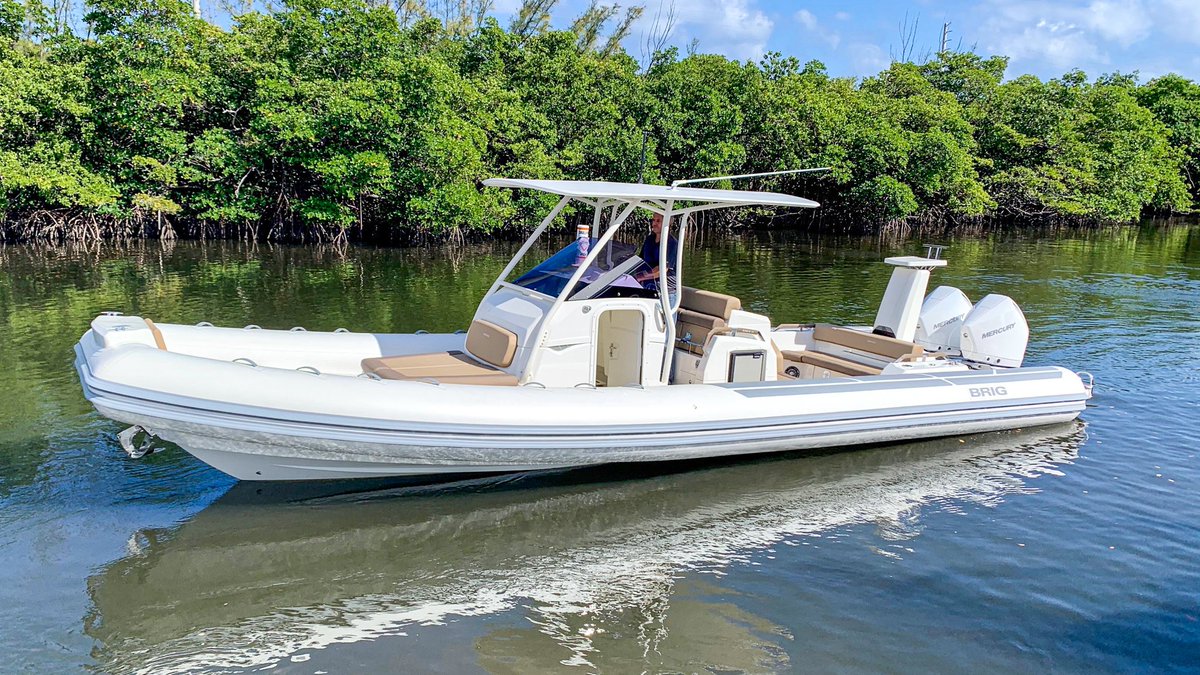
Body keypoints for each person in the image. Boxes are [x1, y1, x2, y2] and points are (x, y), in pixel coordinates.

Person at [635, 213, 678, 292]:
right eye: (653, 220)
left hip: (665, 293)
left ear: (667, 223)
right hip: (648, 288)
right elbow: (640, 261)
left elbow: (661, 270)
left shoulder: (672, 243)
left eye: (658, 221)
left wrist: (640, 277)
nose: (654, 223)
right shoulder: (649, 239)